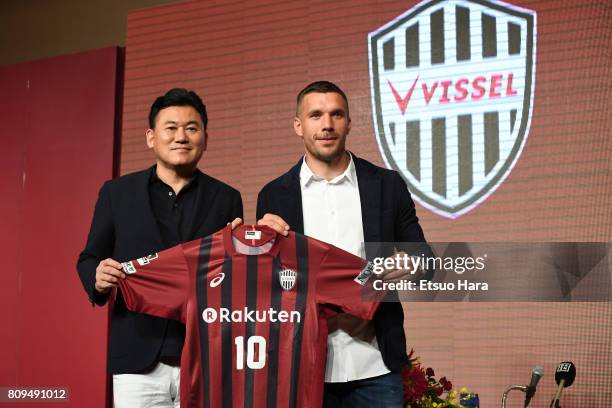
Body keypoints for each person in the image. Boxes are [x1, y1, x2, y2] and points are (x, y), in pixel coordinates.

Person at [256, 81, 428, 407]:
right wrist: (256, 250)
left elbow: (426, 261)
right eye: (316, 115)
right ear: (298, 125)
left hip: (376, 365)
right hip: (304, 365)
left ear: (349, 122)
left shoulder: (386, 185)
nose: (326, 125)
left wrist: (404, 264)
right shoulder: (274, 195)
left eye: (336, 114)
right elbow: (270, 285)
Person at [77, 88, 243, 408]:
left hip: (206, 359)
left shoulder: (227, 198)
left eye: (192, 128)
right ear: (151, 137)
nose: (181, 136)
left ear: (205, 138)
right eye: (171, 128)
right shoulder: (116, 193)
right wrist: (97, 277)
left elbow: (232, 274)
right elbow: (89, 258)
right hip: (136, 360)